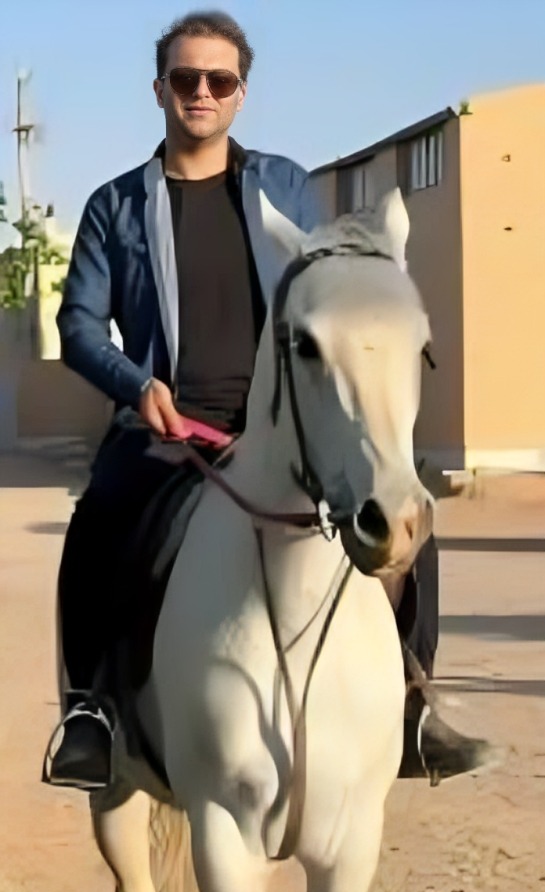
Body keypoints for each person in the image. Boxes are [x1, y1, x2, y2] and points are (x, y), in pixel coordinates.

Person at [43, 10, 492, 791]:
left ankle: (412, 701)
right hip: (166, 426)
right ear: (160, 89)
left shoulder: (284, 186)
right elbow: (78, 326)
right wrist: (135, 386)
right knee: (99, 518)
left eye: (219, 80)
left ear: (240, 93)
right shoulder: (114, 206)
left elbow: (329, 287)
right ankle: (93, 713)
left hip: (281, 424)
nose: (202, 92)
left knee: (405, 507)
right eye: (186, 78)